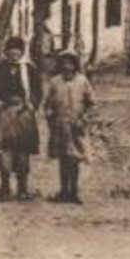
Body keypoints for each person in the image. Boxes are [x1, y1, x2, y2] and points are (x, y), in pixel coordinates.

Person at [0, 35, 42, 201]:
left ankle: (22, 188)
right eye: (10, 52)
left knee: (22, 151)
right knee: (4, 150)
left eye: (17, 52)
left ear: (21, 53)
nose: (13, 55)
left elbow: (38, 91)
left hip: (23, 114)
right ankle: (5, 187)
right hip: (4, 114)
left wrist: (32, 104)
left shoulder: (29, 69)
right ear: (6, 52)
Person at [44, 50, 94, 204]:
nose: (67, 67)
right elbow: (47, 104)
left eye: (70, 64)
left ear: (75, 65)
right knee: (63, 159)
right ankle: (63, 190)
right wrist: (50, 117)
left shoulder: (82, 81)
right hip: (60, 126)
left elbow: (91, 103)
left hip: (76, 125)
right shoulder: (55, 81)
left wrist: (84, 118)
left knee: (75, 158)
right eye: (64, 63)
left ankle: (74, 191)